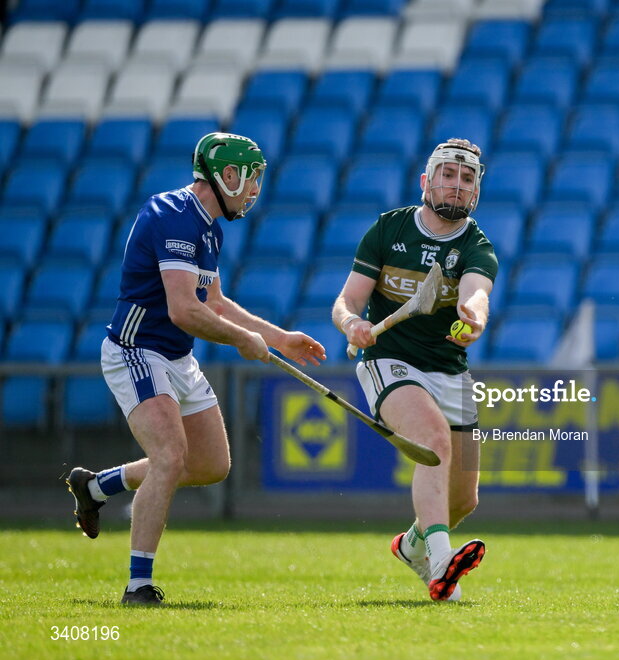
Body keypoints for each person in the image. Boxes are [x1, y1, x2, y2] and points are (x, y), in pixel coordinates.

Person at [65, 132, 327, 605]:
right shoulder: (172, 216)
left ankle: (96, 486)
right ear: (227, 175)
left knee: (211, 465)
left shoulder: (209, 227)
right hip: (136, 349)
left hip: (176, 356)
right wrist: (243, 341)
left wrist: (276, 337)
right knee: (170, 455)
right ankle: (138, 585)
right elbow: (185, 309)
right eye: (250, 180)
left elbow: (215, 302)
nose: (253, 192)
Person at [333, 138, 496, 602]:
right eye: (448, 174)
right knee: (433, 440)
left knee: (463, 500)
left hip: (449, 369)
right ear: (427, 181)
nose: (457, 185)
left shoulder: (477, 246)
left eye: (467, 178)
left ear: (476, 191)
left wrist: (474, 318)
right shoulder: (389, 230)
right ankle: (443, 568)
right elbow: (347, 301)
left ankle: (411, 546)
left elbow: (476, 293)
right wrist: (352, 323)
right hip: (390, 361)